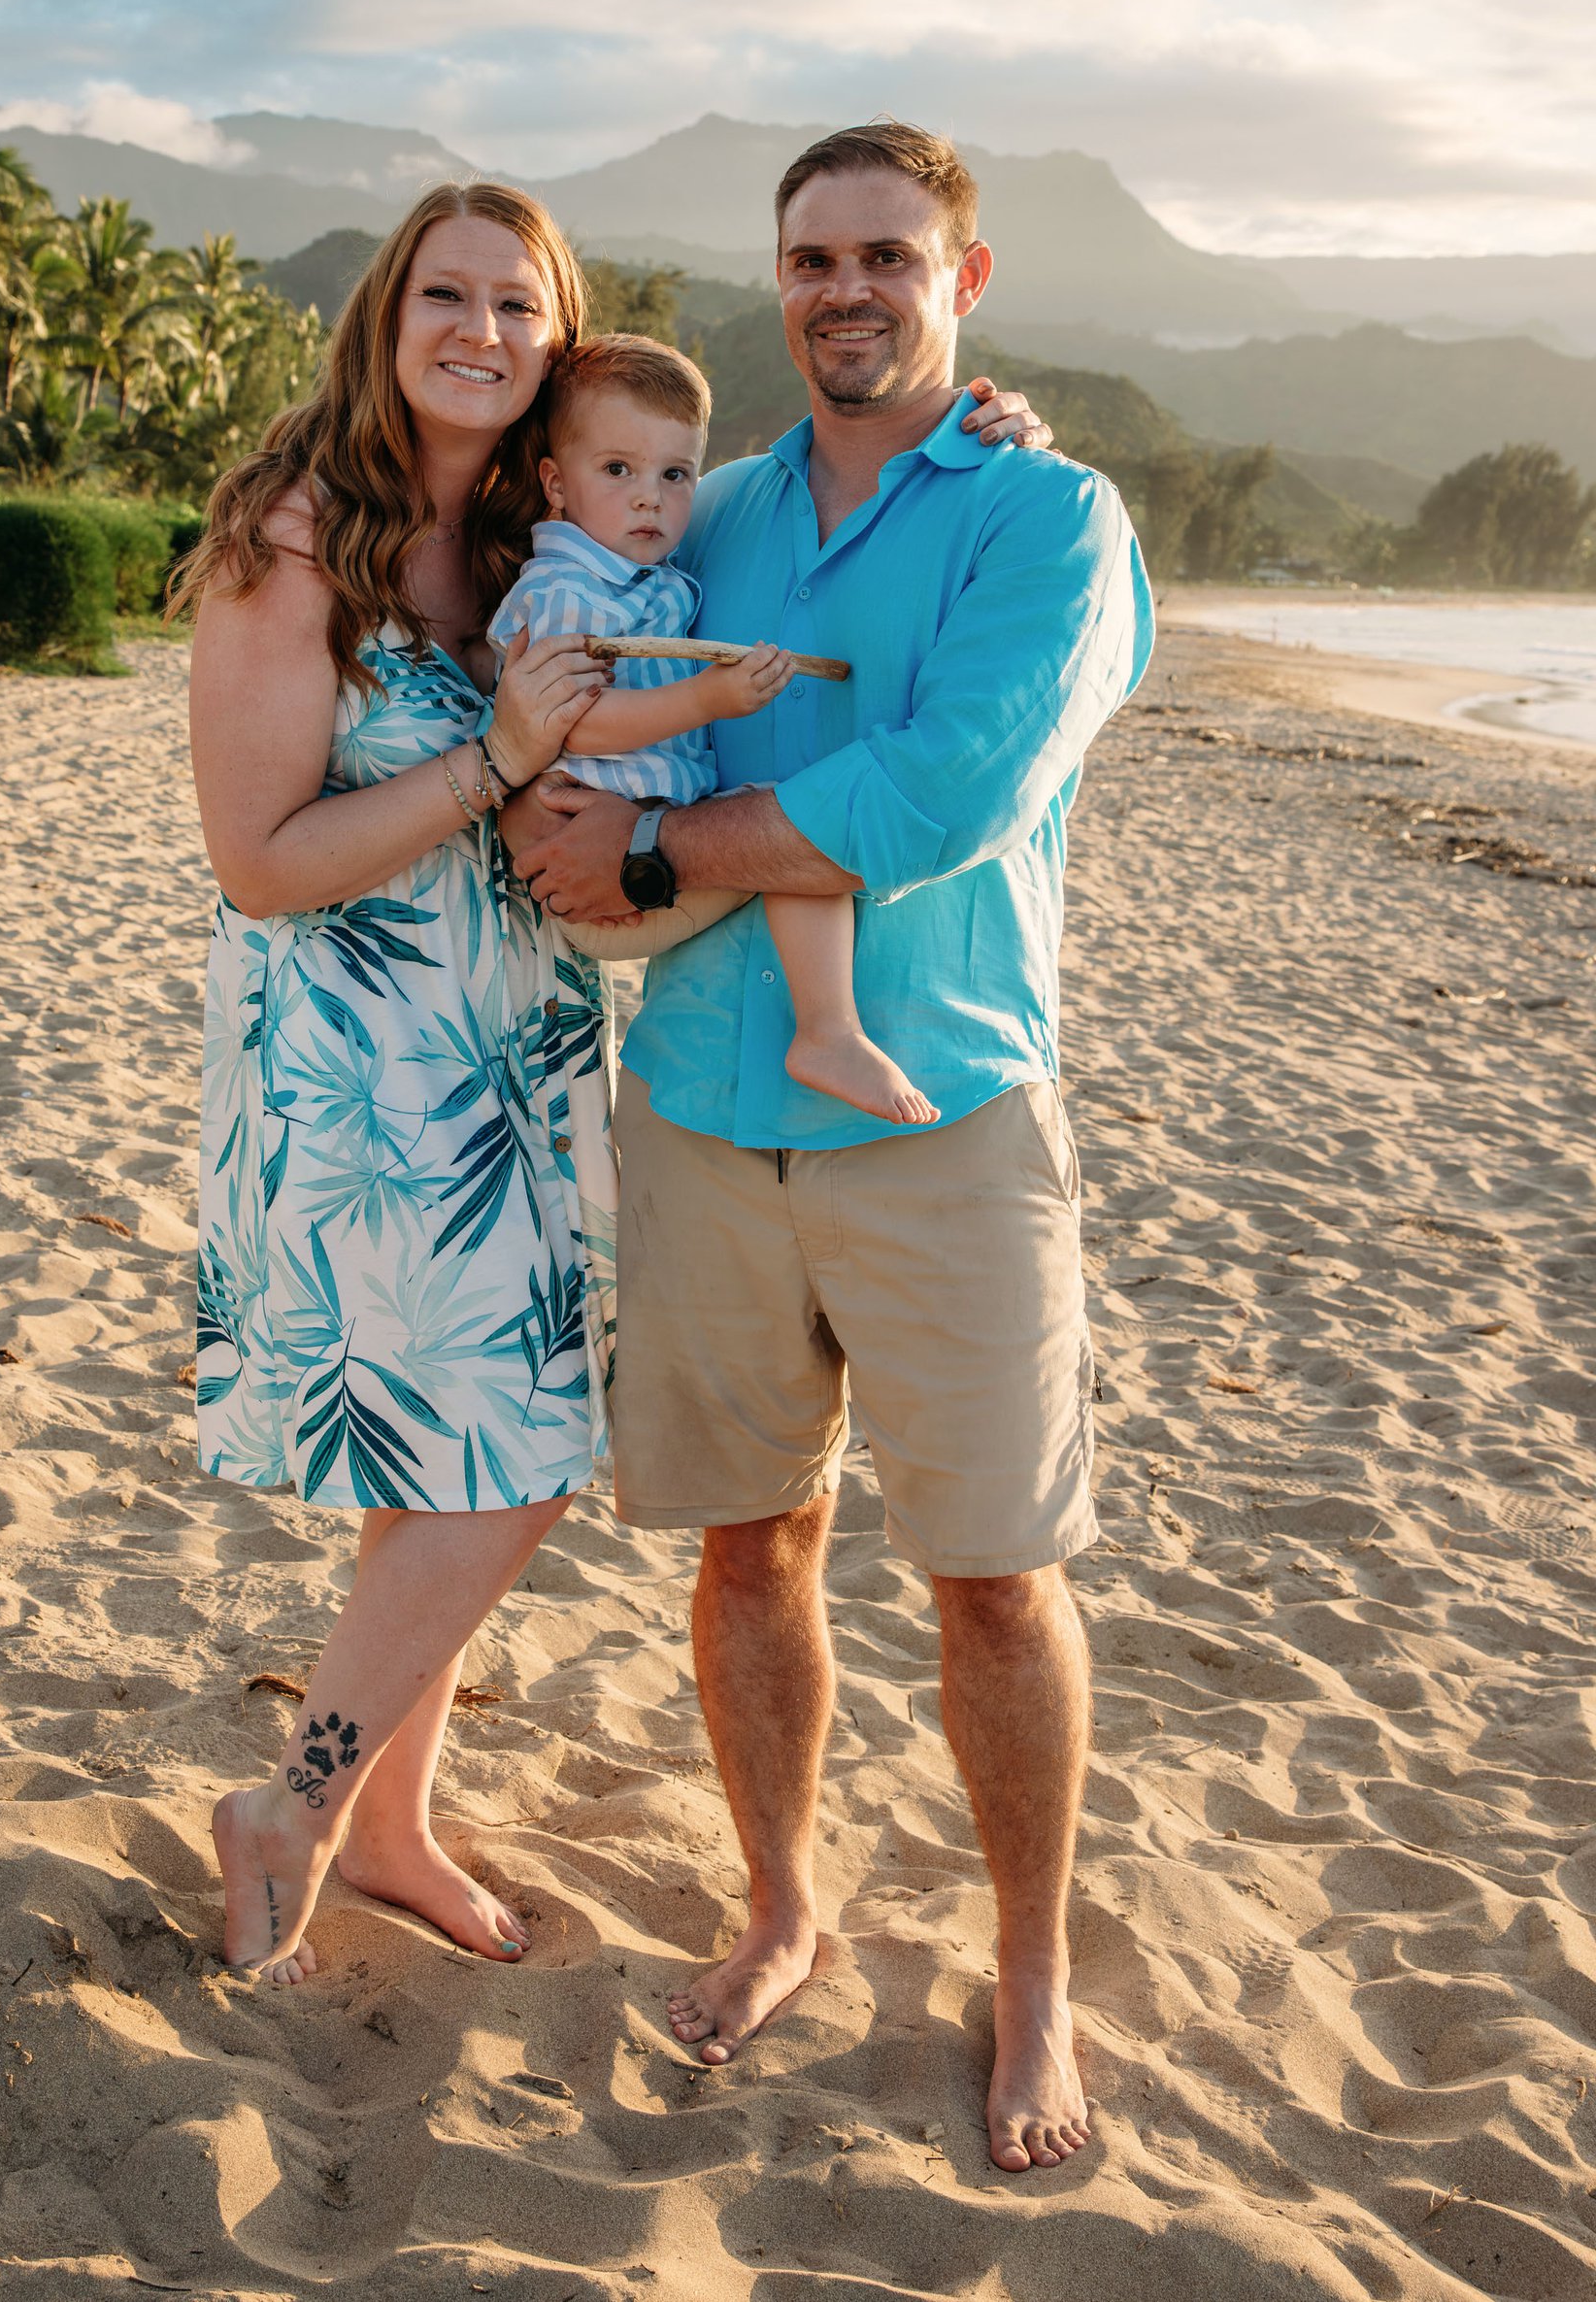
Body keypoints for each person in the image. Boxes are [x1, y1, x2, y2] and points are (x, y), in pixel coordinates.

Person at [173, 168, 1054, 1987]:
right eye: (448, 293)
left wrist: (975, 419)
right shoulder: (293, 530)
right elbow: (257, 862)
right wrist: (499, 757)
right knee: (512, 1460)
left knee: (444, 1455)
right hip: (367, 1060)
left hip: (523, 1044)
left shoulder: (540, 521)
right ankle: (297, 1806)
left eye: (520, 303)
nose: (481, 329)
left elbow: (794, 479)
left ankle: (395, 1825)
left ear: (561, 353)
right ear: (387, 314)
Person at [509, 119, 1154, 2172]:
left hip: (944, 1108)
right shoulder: (710, 509)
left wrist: (651, 846)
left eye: (888, 253)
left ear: (966, 275)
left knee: (995, 1578)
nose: (846, 288)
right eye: (812, 257)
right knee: (749, 1542)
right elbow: (539, 562)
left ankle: (1032, 1972)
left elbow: (950, 790)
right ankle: (785, 1903)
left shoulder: (1052, 512)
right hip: (703, 1104)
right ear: (777, 280)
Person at [489, 333, 940, 1125]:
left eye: (675, 475)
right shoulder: (563, 590)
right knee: (794, 834)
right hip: (589, 864)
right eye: (618, 470)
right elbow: (574, 725)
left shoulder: (647, 576)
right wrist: (707, 698)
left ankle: (827, 1030)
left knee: (787, 824)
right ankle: (828, 1030)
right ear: (555, 483)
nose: (649, 499)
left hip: (639, 834)